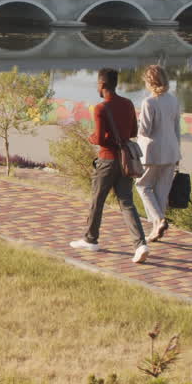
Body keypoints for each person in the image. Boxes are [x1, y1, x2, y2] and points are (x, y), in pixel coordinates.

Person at [70, 68, 149, 263]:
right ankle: (140, 245)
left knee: (97, 200)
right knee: (126, 203)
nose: (97, 87)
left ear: (102, 84)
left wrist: (92, 138)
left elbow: (99, 139)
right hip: (125, 161)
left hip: (107, 160)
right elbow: (133, 131)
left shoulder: (100, 108)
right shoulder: (128, 104)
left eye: (97, 84)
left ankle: (91, 240)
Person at [135, 65, 182, 242]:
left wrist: (137, 122)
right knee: (162, 191)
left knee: (142, 186)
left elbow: (145, 131)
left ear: (149, 82)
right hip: (171, 151)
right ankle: (156, 228)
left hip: (151, 152)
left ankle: (158, 220)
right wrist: (178, 152)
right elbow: (177, 128)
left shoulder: (149, 102)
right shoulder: (173, 100)